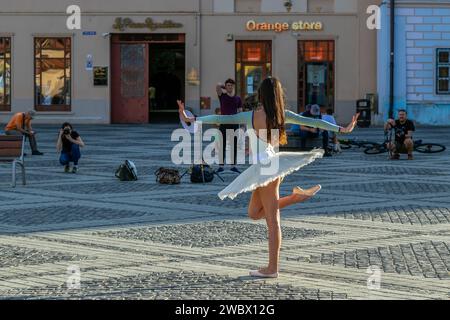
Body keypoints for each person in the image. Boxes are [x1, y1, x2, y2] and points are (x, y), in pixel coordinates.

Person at [178, 77, 359, 278]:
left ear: (261, 95)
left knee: (273, 222)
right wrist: (341, 129)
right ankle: (295, 197)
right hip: (267, 167)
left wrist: (193, 119)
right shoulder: (283, 115)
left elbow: (221, 118)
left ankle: (272, 268)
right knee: (254, 213)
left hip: (267, 170)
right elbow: (314, 121)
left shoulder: (251, 116)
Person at [216, 79, 243, 174]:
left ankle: (233, 166)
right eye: (228, 85)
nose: (229, 87)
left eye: (231, 85)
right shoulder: (222, 96)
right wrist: (224, 87)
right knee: (221, 145)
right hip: (223, 124)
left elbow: (240, 111)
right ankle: (221, 166)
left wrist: (241, 124)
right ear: (225, 86)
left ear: (233, 87)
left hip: (234, 124)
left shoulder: (238, 98)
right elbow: (218, 85)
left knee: (233, 145)